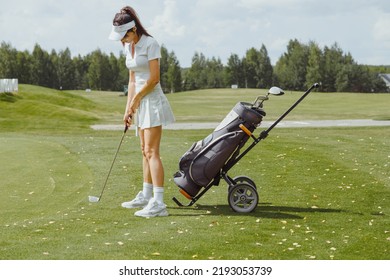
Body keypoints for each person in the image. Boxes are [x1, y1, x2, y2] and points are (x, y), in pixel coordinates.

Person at [108, 6, 175, 217]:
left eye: (124, 35)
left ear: (133, 29)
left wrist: (137, 99)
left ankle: (159, 203)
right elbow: (132, 80)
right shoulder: (129, 47)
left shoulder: (151, 43)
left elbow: (154, 78)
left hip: (152, 101)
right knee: (144, 151)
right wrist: (128, 108)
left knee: (152, 151)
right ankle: (146, 195)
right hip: (139, 102)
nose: (122, 40)